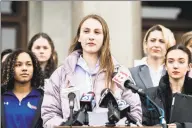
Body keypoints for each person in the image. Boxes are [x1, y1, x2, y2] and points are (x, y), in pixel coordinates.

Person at [41, 14, 142, 128]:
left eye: (97, 32)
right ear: (79, 37)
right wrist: (67, 126)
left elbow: (135, 112)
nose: (91, 37)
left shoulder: (119, 72)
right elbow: (49, 114)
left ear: (104, 38)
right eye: (86, 31)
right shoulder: (61, 74)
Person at [143, 44, 192, 128]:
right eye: (170, 61)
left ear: (189, 66)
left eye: (181, 62)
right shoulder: (148, 95)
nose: (175, 66)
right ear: (165, 66)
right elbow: (143, 124)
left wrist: (182, 126)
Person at [1, 49, 44, 128]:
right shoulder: (2, 96)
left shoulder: (43, 98)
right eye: (18, 65)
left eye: (28, 64)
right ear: (10, 69)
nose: (24, 68)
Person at [130, 24, 176, 89]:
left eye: (161, 41)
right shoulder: (132, 71)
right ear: (146, 44)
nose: (156, 45)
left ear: (168, 45)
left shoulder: (175, 69)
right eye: (152, 40)